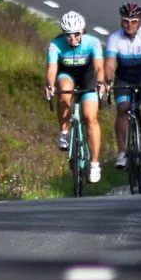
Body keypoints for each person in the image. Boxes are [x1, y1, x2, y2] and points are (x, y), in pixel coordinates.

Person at [45, 10, 108, 184]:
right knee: (64, 92)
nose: (72, 38)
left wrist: (101, 83)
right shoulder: (55, 45)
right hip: (67, 75)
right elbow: (51, 69)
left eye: (76, 34)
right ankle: (64, 132)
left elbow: (99, 68)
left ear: (82, 31)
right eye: (68, 35)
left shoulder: (93, 43)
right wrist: (50, 86)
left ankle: (94, 163)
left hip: (87, 76)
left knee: (90, 117)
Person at [104, 2, 141, 168]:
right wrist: (107, 80)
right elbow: (109, 64)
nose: (129, 25)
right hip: (124, 79)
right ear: (121, 21)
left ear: (139, 22)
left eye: (133, 21)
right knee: (123, 108)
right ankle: (122, 152)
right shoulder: (114, 38)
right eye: (126, 21)